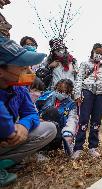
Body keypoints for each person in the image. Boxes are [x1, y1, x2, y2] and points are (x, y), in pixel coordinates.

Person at [0, 35, 57, 186]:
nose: (28, 71)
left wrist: (24, 125)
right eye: (22, 67)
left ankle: (3, 163)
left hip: (6, 139)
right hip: (5, 134)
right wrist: (10, 131)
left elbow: (31, 113)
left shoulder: (19, 87)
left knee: (49, 128)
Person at [72, 43, 102, 159]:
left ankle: (93, 147)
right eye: (97, 52)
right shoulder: (84, 64)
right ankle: (78, 147)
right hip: (87, 92)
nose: (99, 55)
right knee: (83, 119)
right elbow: (79, 79)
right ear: (92, 52)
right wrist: (77, 94)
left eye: (101, 53)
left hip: (101, 94)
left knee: (96, 121)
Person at [36, 79, 77, 156]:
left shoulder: (71, 104)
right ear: (56, 88)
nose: (63, 94)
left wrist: (68, 133)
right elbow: (34, 107)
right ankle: (41, 150)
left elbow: (72, 120)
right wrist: (36, 119)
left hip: (58, 132)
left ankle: (53, 147)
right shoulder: (46, 96)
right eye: (60, 91)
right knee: (52, 111)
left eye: (66, 92)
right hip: (42, 127)